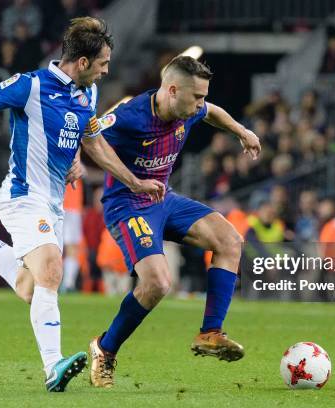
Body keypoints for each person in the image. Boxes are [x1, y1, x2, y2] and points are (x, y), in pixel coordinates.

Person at [0, 17, 164, 392]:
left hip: (53, 204)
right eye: (104, 62)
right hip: (23, 195)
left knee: (31, 287)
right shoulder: (31, 85)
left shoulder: (86, 94)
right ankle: (52, 367)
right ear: (82, 62)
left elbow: (92, 142)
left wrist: (133, 180)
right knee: (51, 270)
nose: (107, 70)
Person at [88, 56, 261, 387]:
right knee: (157, 283)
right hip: (128, 204)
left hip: (164, 199)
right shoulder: (129, 116)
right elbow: (90, 139)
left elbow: (212, 112)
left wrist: (242, 131)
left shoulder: (192, 109)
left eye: (202, 96)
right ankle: (105, 349)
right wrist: (132, 181)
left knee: (230, 241)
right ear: (171, 90)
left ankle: (210, 333)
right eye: (196, 96)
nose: (200, 103)